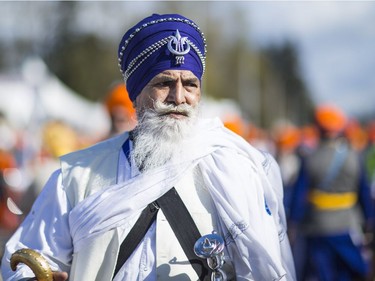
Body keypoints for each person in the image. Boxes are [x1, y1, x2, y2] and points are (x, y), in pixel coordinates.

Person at [1, 13, 296, 281]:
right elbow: (26, 260)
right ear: (135, 94)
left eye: (190, 84)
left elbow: (262, 267)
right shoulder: (75, 177)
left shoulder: (232, 171)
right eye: (164, 83)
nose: (178, 97)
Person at [288, 104, 374, 281]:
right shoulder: (354, 157)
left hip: (317, 227)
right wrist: (369, 221)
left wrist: (293, 224)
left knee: (322, 274)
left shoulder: (310, 158)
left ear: (317, 127)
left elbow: (298, 197)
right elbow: (364, 194)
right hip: (348, 225)